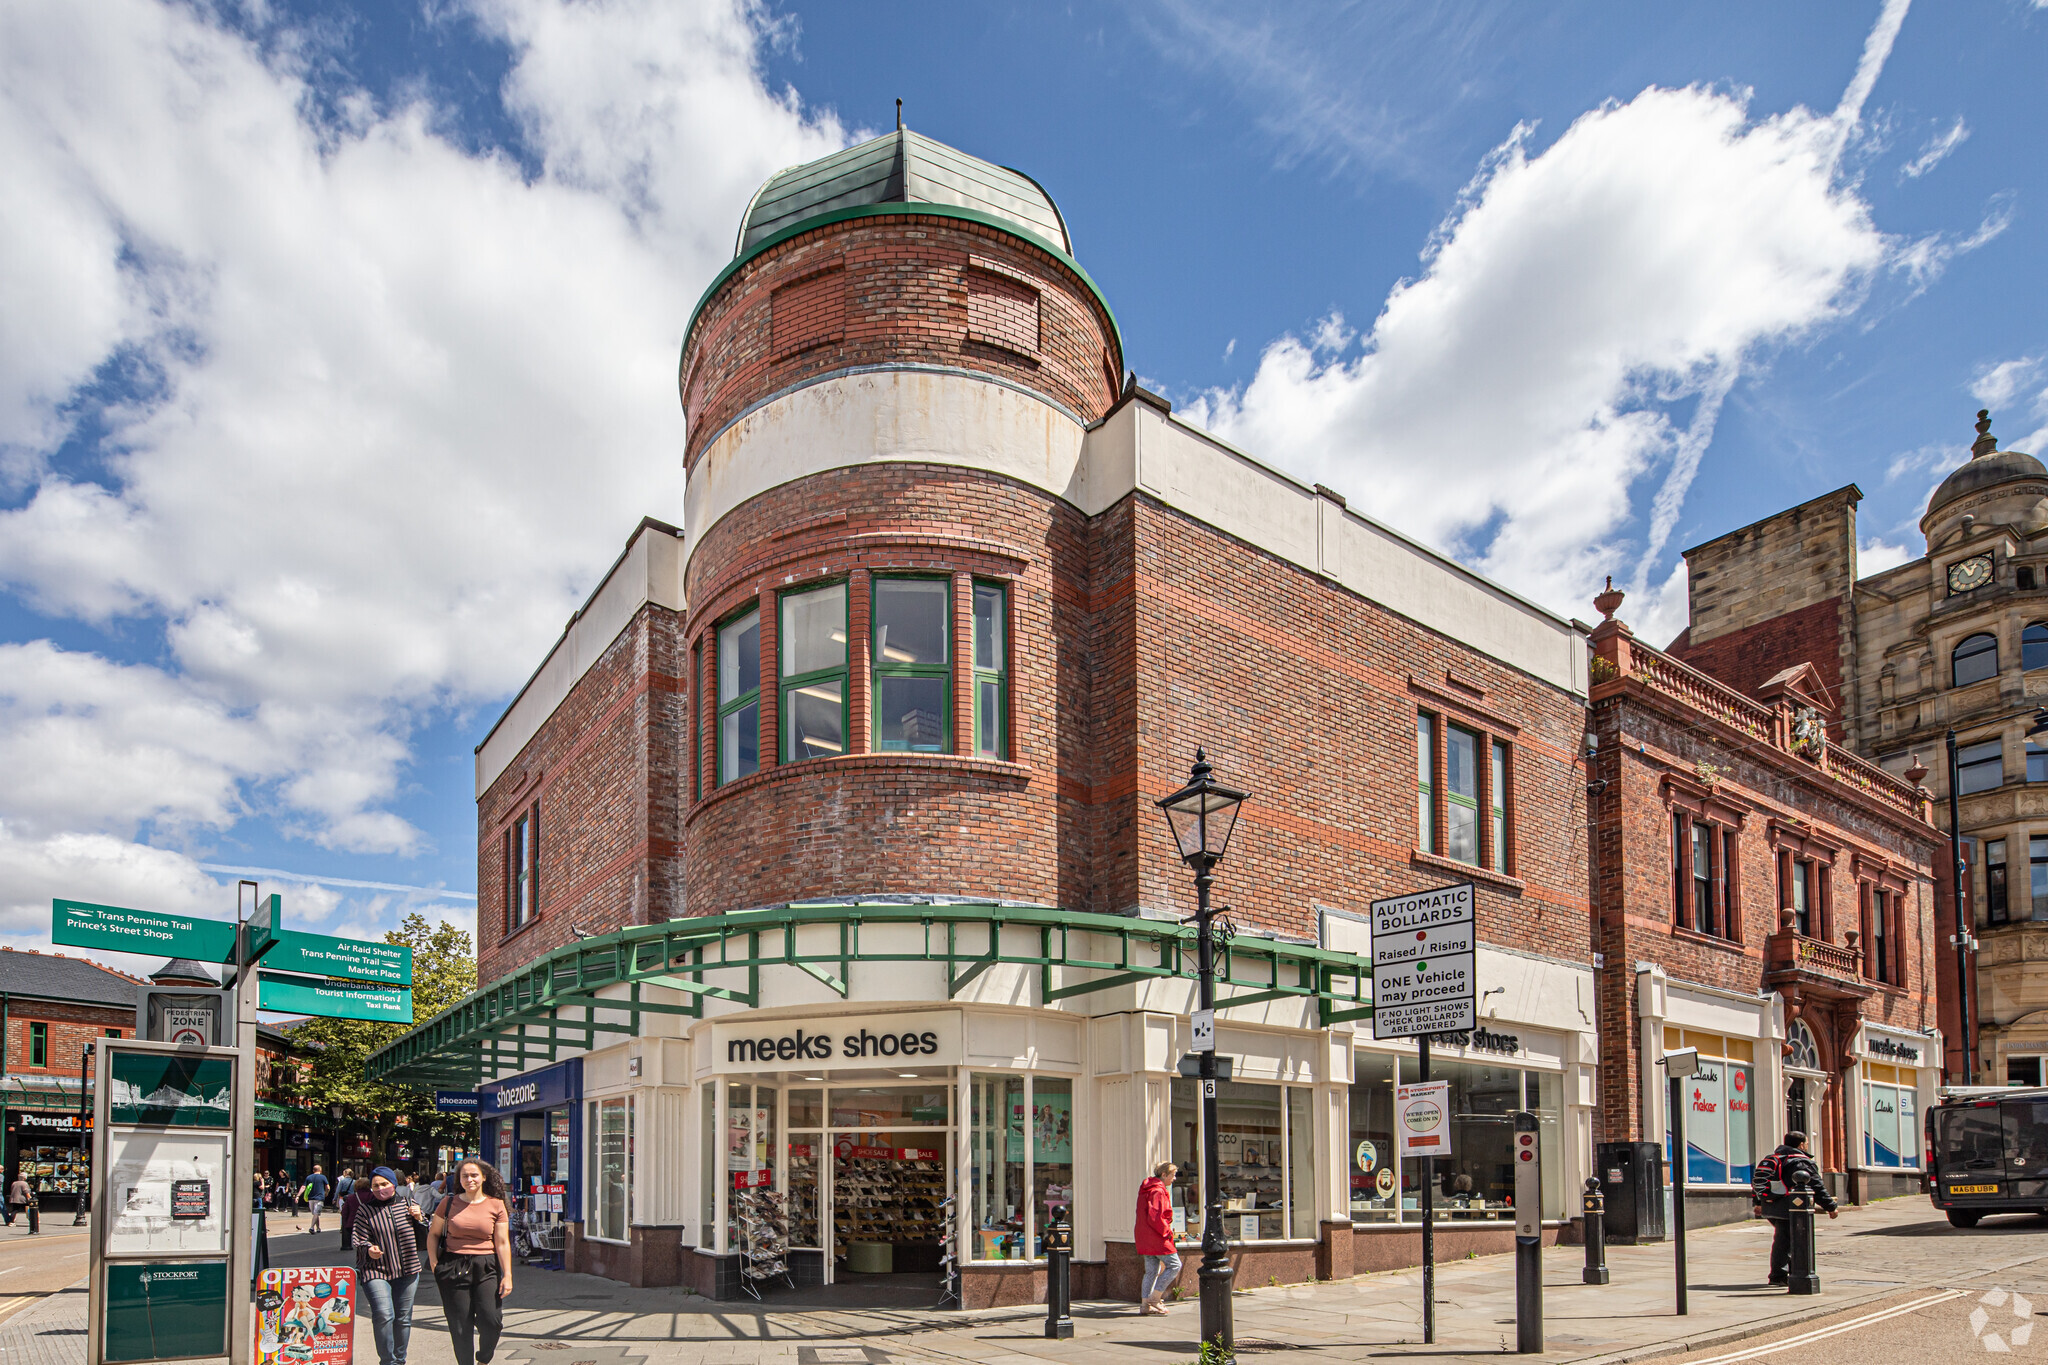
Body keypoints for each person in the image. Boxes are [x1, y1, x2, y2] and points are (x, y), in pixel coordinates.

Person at [429, 1159, 514, 1365]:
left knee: (491, 1321)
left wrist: (508, 1275)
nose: (470, 1179)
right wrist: (434, 1265)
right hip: (453, 1265)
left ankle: (484, 1359)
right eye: (464, 1176)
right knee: (460, 1325)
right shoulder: (448, 1203)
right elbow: (433, 1235)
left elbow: (502, 1242)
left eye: (474, 1175)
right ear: (459, 1179)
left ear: (483, 1177)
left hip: (486, 1265)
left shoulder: (496, 1204)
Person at [353, 1167, 427, 1365]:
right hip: (375, 1269)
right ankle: (387, 1361)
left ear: (393, 1184)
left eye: (384, 1184)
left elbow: (427, 1236)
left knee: (403, 1318)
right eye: (375, 1185)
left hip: (408, 1269)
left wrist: (420, 1218)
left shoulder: (409, 1204)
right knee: (384, 1315)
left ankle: (399, 1359)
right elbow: (358, 1238)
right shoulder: (365, 1210)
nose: (380, 1188)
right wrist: (368, 1248)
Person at [1751, 1129, 1838, 1286]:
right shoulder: (1800, 1162)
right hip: (1790, 1207)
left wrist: (1757, 1203)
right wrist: (1830, 1206)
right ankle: (1779, 1276)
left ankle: (1791, 1271)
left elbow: (1759, 1180)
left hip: (1770, 1206)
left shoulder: (1773, 1158)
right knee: (1784, 1241)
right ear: (1802, 1144)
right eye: (1806, 1143)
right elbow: (1816, 1185)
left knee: (1787, 1240)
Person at [1134, 1161, 1180, 1315]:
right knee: (1175, 1265)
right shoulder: (1158, 1191)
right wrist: (1167, 1232)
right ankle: (1155, 1297)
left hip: (1144, 1236)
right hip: (1157, 1236)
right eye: (1172, 1175)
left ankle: (1145, 1305)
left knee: (1151, 1271)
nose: (1174, 1179)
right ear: (1164, 1174)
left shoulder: (1147, 1189)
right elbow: (1155, 1217)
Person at [304, 1165, 330, 1234]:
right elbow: (328, 1187)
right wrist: (326, 1193)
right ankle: (312, 1227)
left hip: (311, 1198)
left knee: (315, 1213)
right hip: (319, 1198)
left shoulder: (308, 1177)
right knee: (316, 1214)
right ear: (320, 1170)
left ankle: (317, 1228)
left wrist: (298, 1195)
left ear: (313, 1170)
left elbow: (304, 1187)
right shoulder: (323, 1177)